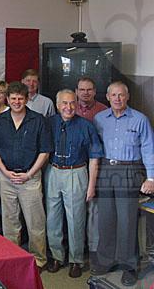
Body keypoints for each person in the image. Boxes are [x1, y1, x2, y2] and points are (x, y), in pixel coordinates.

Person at [0, 81, 52, 270]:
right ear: (7, 99)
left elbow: (45, 151)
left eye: (20, 98)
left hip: (30, 178)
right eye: (13, 98)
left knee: (35, 222)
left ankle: (38, 259)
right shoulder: (0, 120)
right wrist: (4, 171)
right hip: (6, 177)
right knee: (9, 221)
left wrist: (29, 174)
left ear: (27, 99)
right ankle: (12, 258)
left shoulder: (38, 120)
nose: (16, 102)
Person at [92, 81, 154, 286]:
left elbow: (149, 149)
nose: (117, 99)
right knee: (105, 219)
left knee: (127, 220)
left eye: (121, 95)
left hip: (130, 170)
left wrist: (151, 178)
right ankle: (106, 260)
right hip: (105, 169)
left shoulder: (140, 119)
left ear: (127, 97)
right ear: (107, 97)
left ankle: (129, 266)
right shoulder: (99, 119)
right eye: (114, 95)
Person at [45, 89, 102, 279]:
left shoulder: (86, 126)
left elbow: (94, 157)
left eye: (72, 103)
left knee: (76, 218)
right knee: (52, 217)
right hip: (53, 171)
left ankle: (76, 260)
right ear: (57, 105)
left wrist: (91, 185)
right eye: (64, 103)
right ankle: (56, 256)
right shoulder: (49, 123)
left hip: (76, 172)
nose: (68, 107)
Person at [75, 76, 108, 265]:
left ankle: (93, 250)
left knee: (93, 210)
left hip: (96, 165)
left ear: (94, 91)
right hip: (75, 166)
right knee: (74, 210)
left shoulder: (103, 111)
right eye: (82, 89)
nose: (85, 93)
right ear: (76, 91)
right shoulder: (70, 107)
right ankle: (75, 247)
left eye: (89, 90)